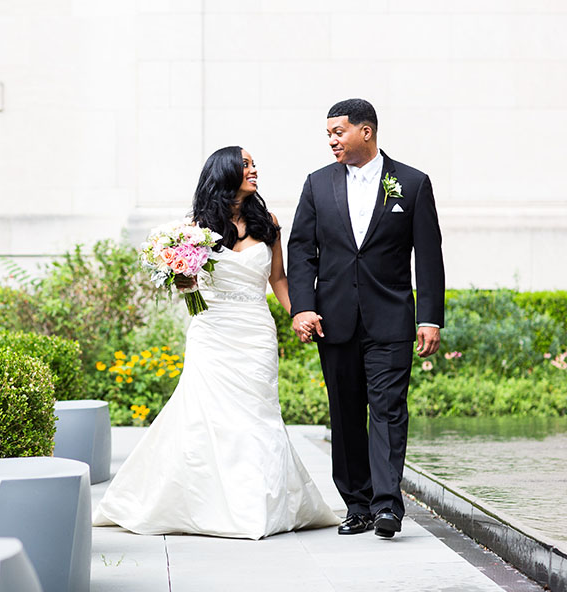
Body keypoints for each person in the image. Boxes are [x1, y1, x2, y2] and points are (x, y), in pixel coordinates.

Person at [92, 146, 339, 539]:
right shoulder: (193, 228)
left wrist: (297, 312)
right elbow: (181, 281)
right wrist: (181, 279)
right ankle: (205, 504)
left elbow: (278, 278)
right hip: (211, 330)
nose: (254, 169)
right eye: (246, 165)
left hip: (255, 330)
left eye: (254, 163)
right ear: (225, 172)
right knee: (205, 413)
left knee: (257, 414)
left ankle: (259, 505)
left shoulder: (269, 221)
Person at [287, 99, 445, 539]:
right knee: (346, 413)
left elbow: (428, 255)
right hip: (333, 321)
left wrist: (430, 317)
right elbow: (301, 250)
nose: (332, 140)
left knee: (389, 411)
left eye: (338, 132)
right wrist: (302, 306)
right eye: (329, 134)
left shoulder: (412, 184)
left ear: (366, 131)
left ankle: (387, 506)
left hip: (391, 319)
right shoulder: (317, 185)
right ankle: (356, 504)